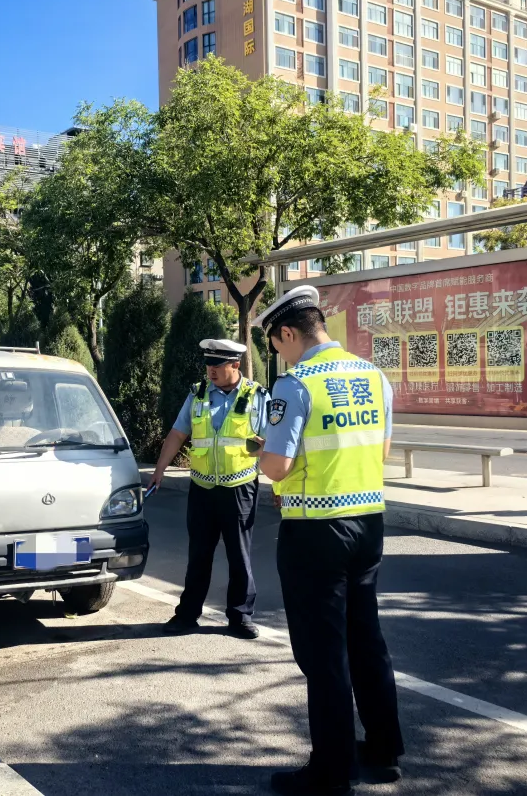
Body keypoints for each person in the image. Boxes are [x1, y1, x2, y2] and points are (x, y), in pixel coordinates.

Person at [253, 286, 405, 796]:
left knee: (324, 653)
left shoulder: (296, 384)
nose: (279, 354)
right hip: (368, 523)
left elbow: (277, 467)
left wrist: (262, 453)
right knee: (366, 640)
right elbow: (382, 451)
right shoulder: (373, 376)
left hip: (315, 531)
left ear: (288, 333)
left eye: (276, 344)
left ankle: (332, 771)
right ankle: (383, 751)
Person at [149, 339, 269, 640]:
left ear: (235, 365)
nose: (211, 370)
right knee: (199, 555)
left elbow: (270, 441)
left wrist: (279, 483)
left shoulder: (256, 396)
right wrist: (160, 469)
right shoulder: (198, 394)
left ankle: (240, 617)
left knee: (239, 556)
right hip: (202, 488)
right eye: (208, 364)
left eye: (218, 365)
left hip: (240, 487)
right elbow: (178, 433)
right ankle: (187, 615)